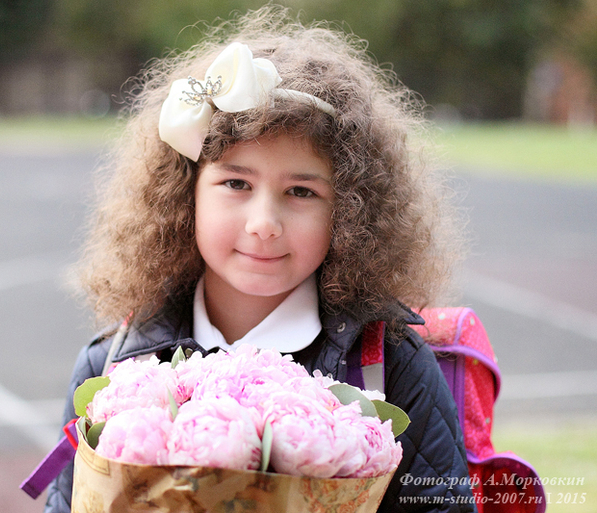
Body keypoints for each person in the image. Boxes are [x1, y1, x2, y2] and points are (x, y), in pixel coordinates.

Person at [45, 6, 474, 512]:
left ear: (351, 210)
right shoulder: (115, 364)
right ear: (184, 194)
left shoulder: (391, 365)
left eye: (301, 191)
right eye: (236, 183)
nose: (264, 222)